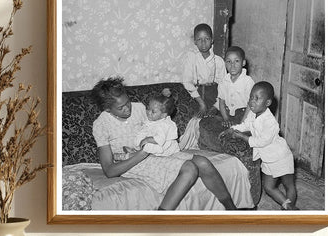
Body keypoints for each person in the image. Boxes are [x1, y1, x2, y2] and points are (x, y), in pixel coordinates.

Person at [91, 77, 240, 211]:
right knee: (190, 168)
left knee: (203, 162)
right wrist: (142, 154)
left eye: (127, 102)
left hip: (156, 150)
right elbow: (109, 171)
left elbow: (160, 123)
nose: (127, 108)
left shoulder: (139, 108)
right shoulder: (101, 125)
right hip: (132, 162)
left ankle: (232, 211)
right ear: (107, 109)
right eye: (120, 107)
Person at [220, 81, 298, 210]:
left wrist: (242, 137)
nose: (252, 101)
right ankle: (288, 206)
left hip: (281, 157)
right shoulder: (252, 113)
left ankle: (290, 210)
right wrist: (233, 129)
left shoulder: (270, 122)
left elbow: (262, 141)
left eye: (257, 98)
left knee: (288, 185)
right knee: (269, 187)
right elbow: (246, 125)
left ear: (267, 103)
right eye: (251, 97)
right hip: (268, 159)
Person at [182, 23, 226, 118]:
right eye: (199, 39)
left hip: (215, 97)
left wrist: (217, 106)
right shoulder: (191, 58)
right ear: (195, 41)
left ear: (212, 40)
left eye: (207, 39)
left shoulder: (218, 61)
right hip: (196, 97)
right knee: (196, 121)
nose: (203, 43)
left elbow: (224, 86)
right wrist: (201, 104)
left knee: (216, 121)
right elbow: (187, 82)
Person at [124, 92, 180, 157]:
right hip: (154, 143)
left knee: (147, 145)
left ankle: (135, 154)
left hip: (163, 147)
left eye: (153, 111)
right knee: (139, 135)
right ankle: (137, 150)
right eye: (148, 108)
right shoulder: (154, 119)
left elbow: (160, 139)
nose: (148, 112)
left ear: (163, 115)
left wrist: (146, 140)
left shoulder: (163, 125)